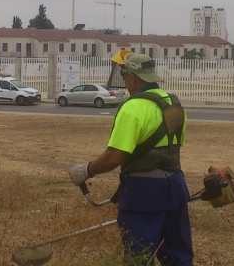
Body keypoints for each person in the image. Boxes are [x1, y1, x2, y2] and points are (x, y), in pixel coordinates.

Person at [69, 51, 194, 265]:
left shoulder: (132, 107)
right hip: (176, 187)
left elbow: (114, 156)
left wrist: (86, 170)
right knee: (178, 256)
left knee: (139, 256)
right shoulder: (173, 103)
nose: (125, 82)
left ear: (132, 78)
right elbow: (173, 147)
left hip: (143, 191)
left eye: (125, 76)